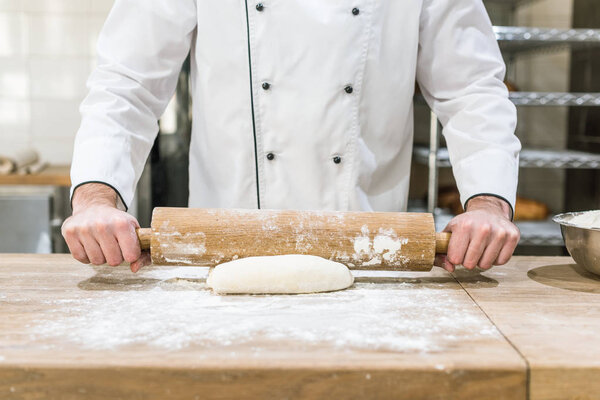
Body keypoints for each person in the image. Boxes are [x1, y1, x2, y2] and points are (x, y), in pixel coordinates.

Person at [62, 0, 521, 273]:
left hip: (372, 253)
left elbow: (471, 88)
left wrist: (488, 205)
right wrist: (96, 197)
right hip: (220, 251)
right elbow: (129, 82)